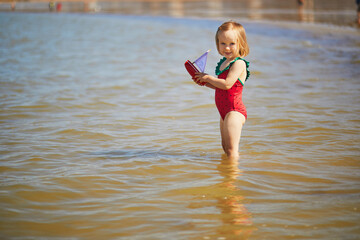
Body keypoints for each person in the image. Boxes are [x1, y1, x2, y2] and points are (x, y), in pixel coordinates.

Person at [193, 21, 250, 160]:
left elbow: (227, 84)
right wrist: (205, 82)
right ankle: (226, 175)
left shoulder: (239, 63)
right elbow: (219, 87)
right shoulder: (224, 63)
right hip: (223, 112)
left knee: (232, 150)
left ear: (241, 43)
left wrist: (208, 77)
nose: (227, 48)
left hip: (234, 111)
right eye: (222, 43)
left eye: (232, 43)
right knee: (225, 148)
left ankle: (231, 179)